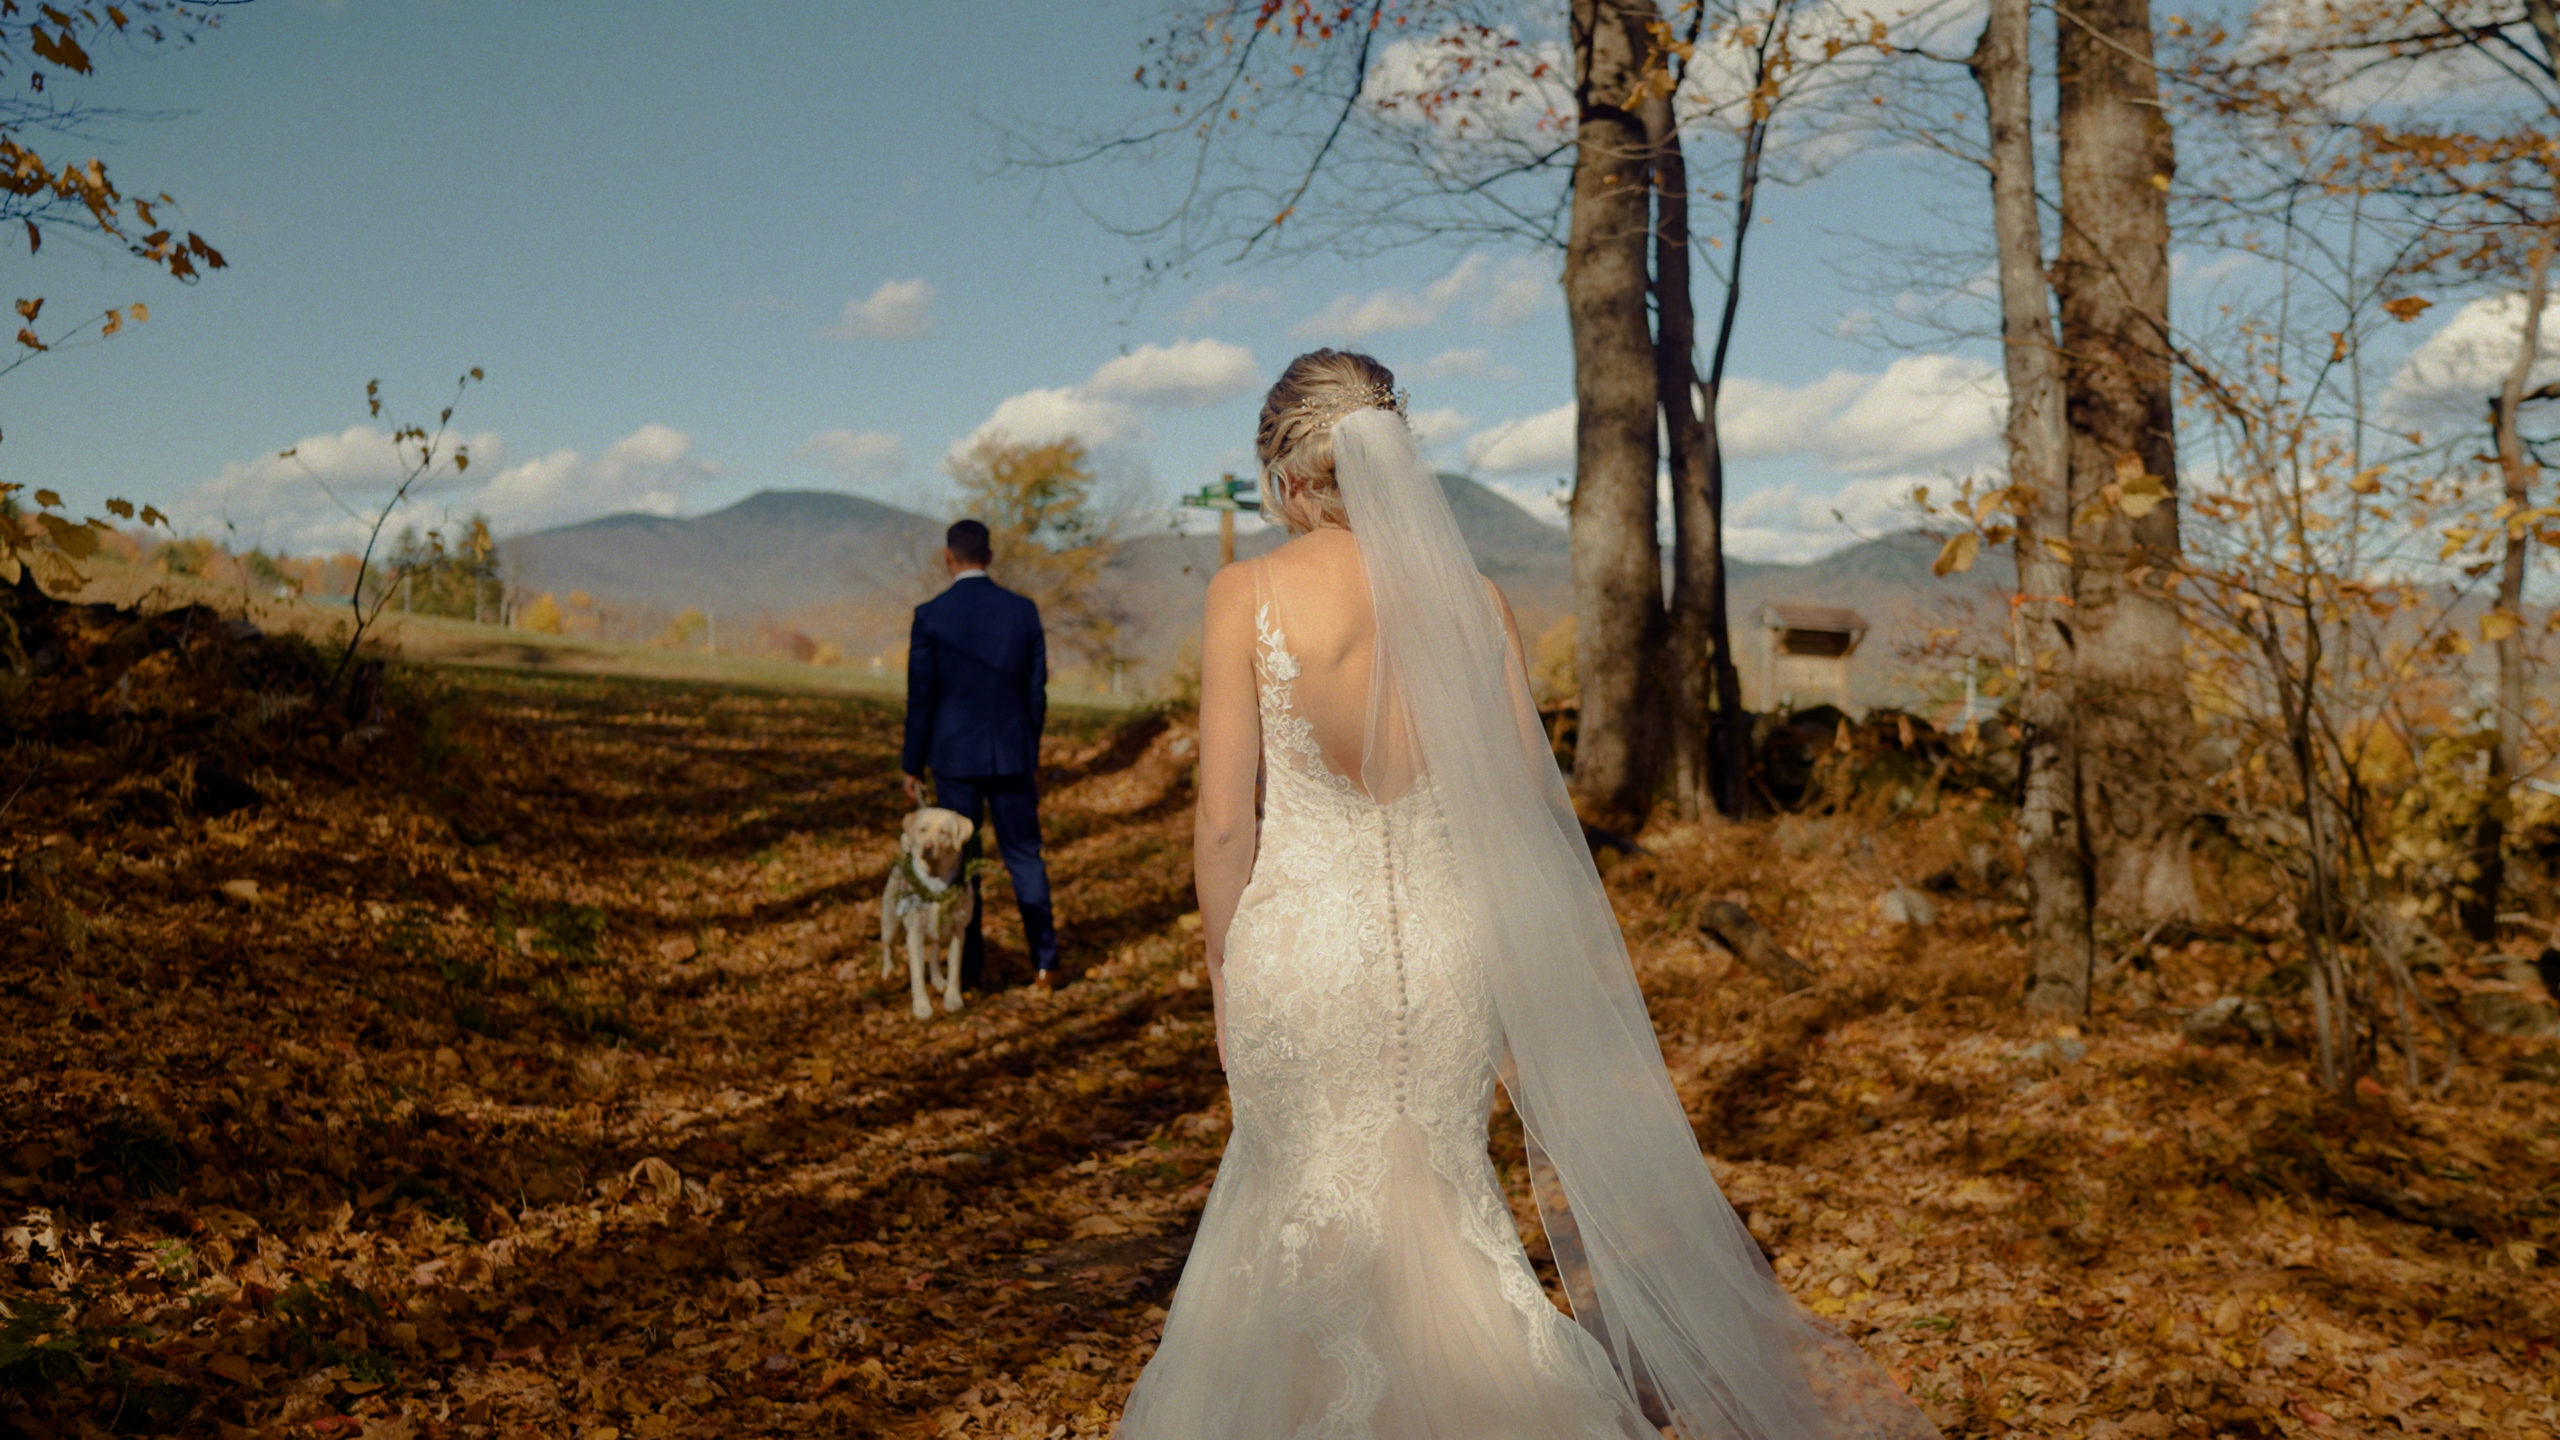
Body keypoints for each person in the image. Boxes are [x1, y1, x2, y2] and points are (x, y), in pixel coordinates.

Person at [1116, 351, 1940, 1439]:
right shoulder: (1478, 602)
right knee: (1442, 1208)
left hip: (1302, 950)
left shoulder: (1246, 594)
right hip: (1452, 952)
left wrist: (1222, 976)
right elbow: (1526, 819)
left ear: (1286, 476)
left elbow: (1225, 822)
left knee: (1298, 1214)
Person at [899, 518, 1060, 995]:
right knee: (1025, 858)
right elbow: (1037, 693)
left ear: (949, 558)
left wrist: (912, 764)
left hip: (952, 761)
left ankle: (968, 969)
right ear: (989, 557)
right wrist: (1029, 749)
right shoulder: (1023, 612)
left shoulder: (930, 615)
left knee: (960, 861)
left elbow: (920, 698)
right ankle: (1045, 964)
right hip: (1012, 756)